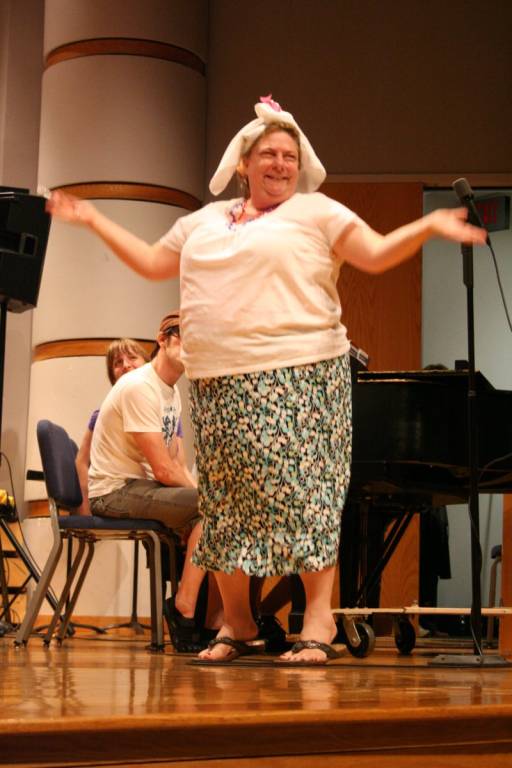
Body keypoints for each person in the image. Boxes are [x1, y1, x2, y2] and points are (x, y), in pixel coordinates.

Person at [46, 95, 486, 665]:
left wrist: (428, 225)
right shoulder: (204, 222)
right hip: (219, 383)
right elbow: (153, 262)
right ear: (243, 163)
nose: (280, 164)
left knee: (307, 497)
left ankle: (318, 623)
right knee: (226, 503)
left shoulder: (316, 212)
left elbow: (375, 254)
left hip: (302, 374)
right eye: (269, 154)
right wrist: (93, 219)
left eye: (289, 156)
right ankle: (238, 622)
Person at [86, 312, 220, 651]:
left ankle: (214, 619)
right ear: (162, 339)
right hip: (114, 491)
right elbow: (163, 470)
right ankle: (185, 607)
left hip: (140, 487)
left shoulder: (171, 391)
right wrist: (203, 498)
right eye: (185, 337)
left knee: (217, 508)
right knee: (214, 507)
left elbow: (177, 464)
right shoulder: (139, 386)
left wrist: (199, 497)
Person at [75, 337, 150, 515]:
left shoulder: (165, 407)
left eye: (132, 357)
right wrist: (85, 511)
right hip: (120, 492)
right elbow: (81, 461)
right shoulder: (103, 414)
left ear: (147, 364)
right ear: (112, 376)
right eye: (118, 363)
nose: (126, 365)